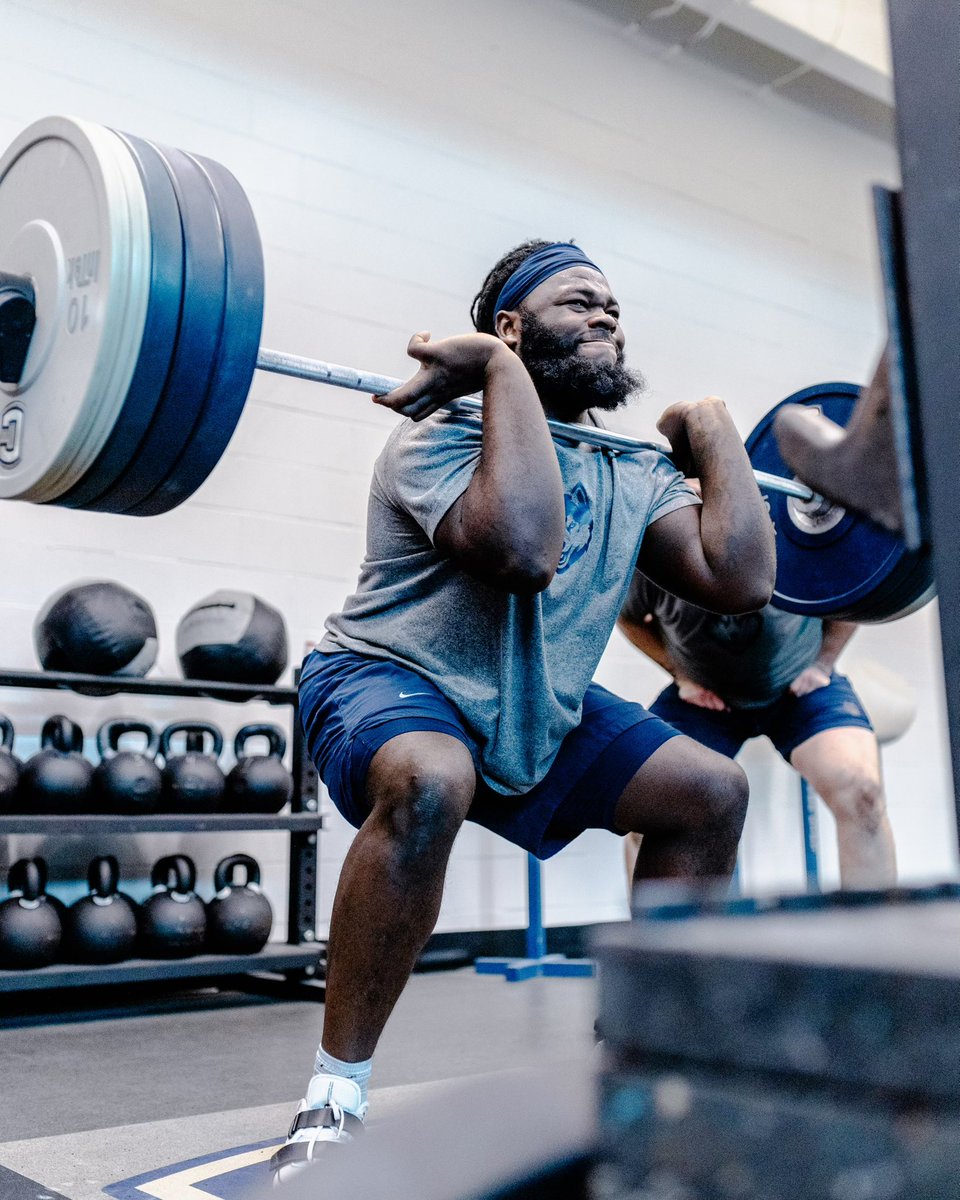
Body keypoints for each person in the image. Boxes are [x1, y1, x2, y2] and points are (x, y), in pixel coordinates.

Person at [273, 240, 776, 1178]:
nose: (606, 318)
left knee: (709, 792)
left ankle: (638, 1060)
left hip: (536, 701)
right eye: (578, 302)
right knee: (432, 779)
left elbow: (739, 579)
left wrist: (713, 433)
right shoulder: (442, 428)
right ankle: (332, 1099)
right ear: (507, 328)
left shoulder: (631, 468)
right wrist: (500, 376)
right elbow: (521, 550)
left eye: (615, 307)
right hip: (388, 676)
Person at [617, 571, 897, 892]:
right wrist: (679, 673)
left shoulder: (795, 534)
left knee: (863, 796)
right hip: (705, 699)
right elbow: (629, 619)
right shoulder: (660, 548)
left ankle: (872, 935)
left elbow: (853, 589)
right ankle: (661, 941)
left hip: (799, 689)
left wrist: (824, 661)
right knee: (647, 818)